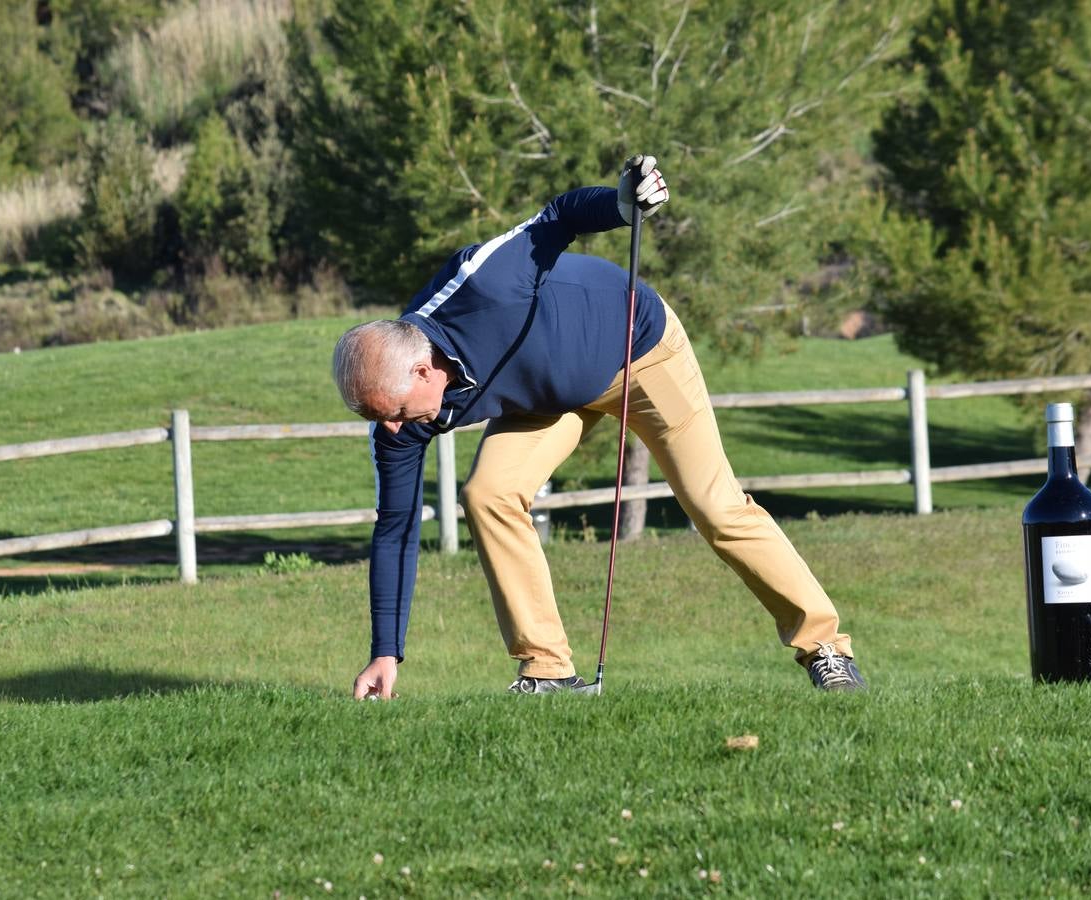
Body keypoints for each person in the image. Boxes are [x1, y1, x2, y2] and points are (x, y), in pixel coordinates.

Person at [332, 155, 867, 699]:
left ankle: (827, 648)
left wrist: (620, 203)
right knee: (488, 494)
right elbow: (395, 528)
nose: (393, 431)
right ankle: (548, 671)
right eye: (378, 419)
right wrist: (385, 650)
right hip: (548, 397)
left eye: (395, 413)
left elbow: (556, 217)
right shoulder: (398, 414)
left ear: (423, 370)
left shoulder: (484, 285)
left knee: (714, 504)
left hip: (639, 349)